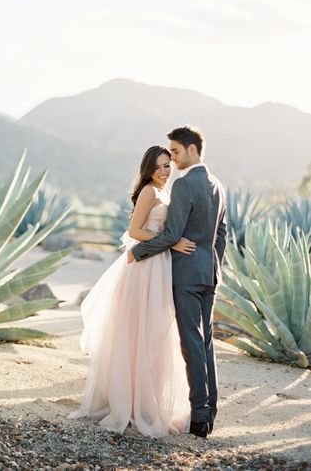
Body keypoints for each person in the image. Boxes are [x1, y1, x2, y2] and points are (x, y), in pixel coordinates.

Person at [69, 145, 194, 437]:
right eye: (160, 166)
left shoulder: (166, 192)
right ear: (149, 169)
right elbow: (135, 231)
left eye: (168, 165)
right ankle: (129, 402)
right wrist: (169, 241)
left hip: (160, 265)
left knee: (155, 332)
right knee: (140, 331)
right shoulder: (150, 191)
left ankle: (148, 400)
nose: (165, 171)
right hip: (145, 267)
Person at [128, 125, 227, 438]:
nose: (172, 158)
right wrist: (212, 265)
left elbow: (172, 235)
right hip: (210, 273)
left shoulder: (185, 185)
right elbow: (221, 234)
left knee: (191, 344)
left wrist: (137, 251)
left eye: (175, 152)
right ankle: (210, 411)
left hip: (186, 274)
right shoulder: (218, 185)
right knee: (206, 342)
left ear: (192, 150)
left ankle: (199, 419)